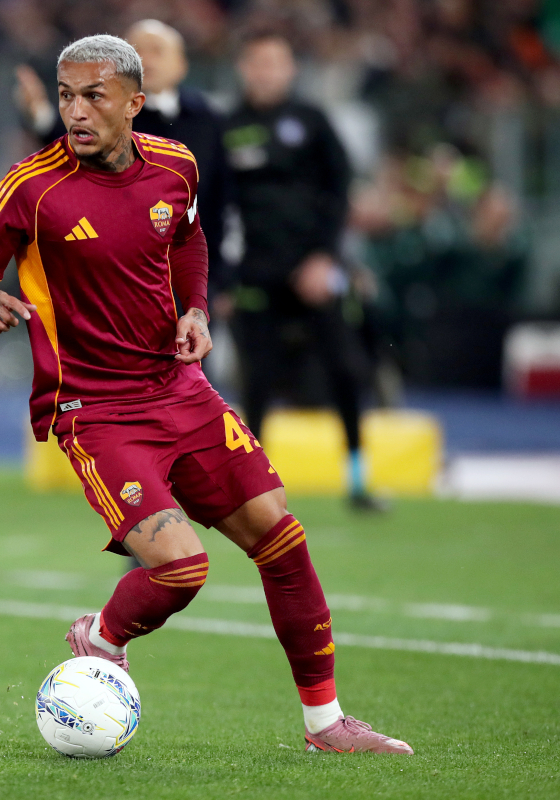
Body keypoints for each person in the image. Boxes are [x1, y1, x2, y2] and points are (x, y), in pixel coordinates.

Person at [0, 34, 412, 755]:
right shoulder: (30, 188)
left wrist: (194, 309)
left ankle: (327, 725)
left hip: (181, 390)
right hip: (96, 409)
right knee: (183, 568)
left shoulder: (176, 166)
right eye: (66, 95)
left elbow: (189, 241)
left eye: (93, 95)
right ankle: (101, 634)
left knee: (282, 540)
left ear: (136, 103)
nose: (76, 110)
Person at [218, 31, 381, 511]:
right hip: (253, 273)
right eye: (258, 62)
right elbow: (213, 206)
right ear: (244, 68)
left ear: (291, 69)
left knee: (345, 368)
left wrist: (327, 257)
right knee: (257, 381)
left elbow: (340, 192)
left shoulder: (312, 121)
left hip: (316, 268)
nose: (267, 71)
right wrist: (222, 279)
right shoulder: (226, 127)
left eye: (276, 62)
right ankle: (254, 489)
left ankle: (357, 479)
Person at [15, 19, 227, 280]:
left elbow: (219, 199)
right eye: (136, 52)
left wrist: (218, 278)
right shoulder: (101, 111)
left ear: (181, 65)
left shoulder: (206, 118)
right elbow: (69, 150)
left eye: (157, 51)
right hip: (111, 269)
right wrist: (40, 115)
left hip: (185, 271)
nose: (146, 60)